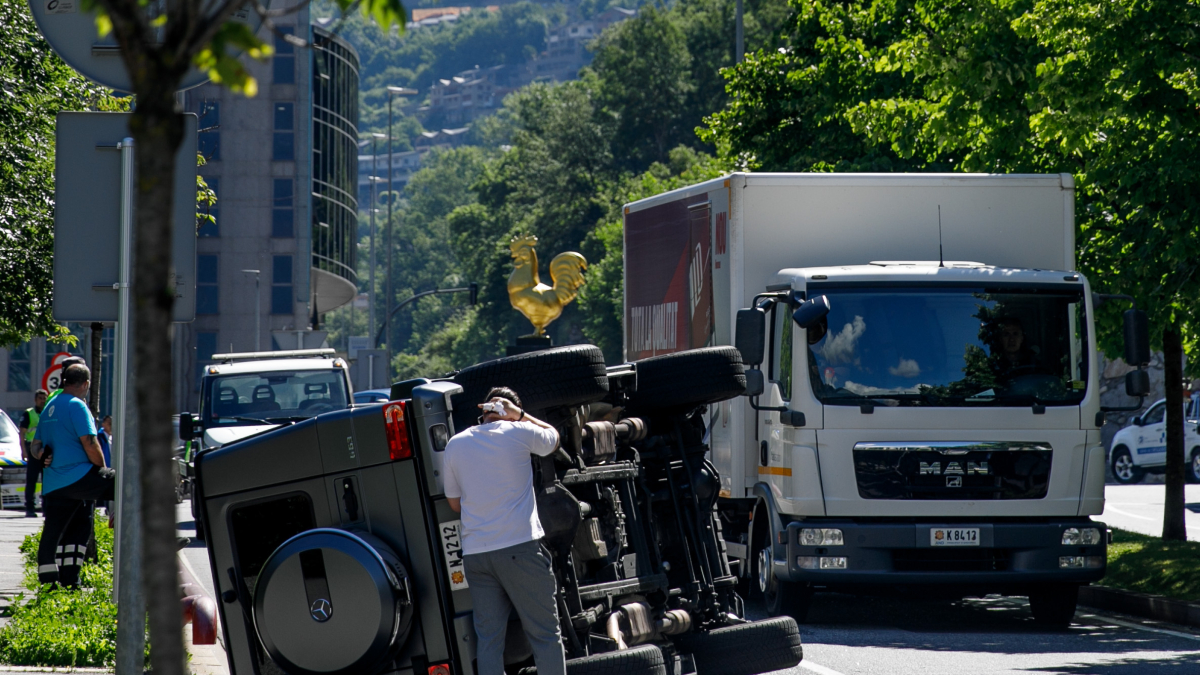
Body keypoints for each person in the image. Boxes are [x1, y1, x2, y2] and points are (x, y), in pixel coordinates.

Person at [442, 387, 566, 675]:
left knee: (489, 641)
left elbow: (455, 504)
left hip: (476, 556)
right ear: (509, 411)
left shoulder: (455, 444)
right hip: (520, 549)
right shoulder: (518, 431)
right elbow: (553, 439)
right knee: (545, 635)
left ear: (484, 409)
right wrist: (520, 415)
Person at [29, 364, 115, 588]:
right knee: (127, 485)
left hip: (54, 484)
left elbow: (35, 445)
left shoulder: (50, 406)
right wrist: (102, 471)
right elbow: (90, 442)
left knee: (61, 531)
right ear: (86, 384)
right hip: (78, 476)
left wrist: (41, 454)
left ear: (64, 380)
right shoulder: (77, 405)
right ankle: (158, 538)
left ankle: (55, 583)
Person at [17, 389, 48, 517]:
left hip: (46, 449)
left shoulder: (49, 412)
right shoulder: (29, 413)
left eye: (44, 398)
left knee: (47, 480)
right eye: (40, 398)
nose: (42, 401)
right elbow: (22, 433)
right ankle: (30, 508)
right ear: (35, 400)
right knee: (32, 480)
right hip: (32, 448)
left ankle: (46, 508)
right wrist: (23, 450)